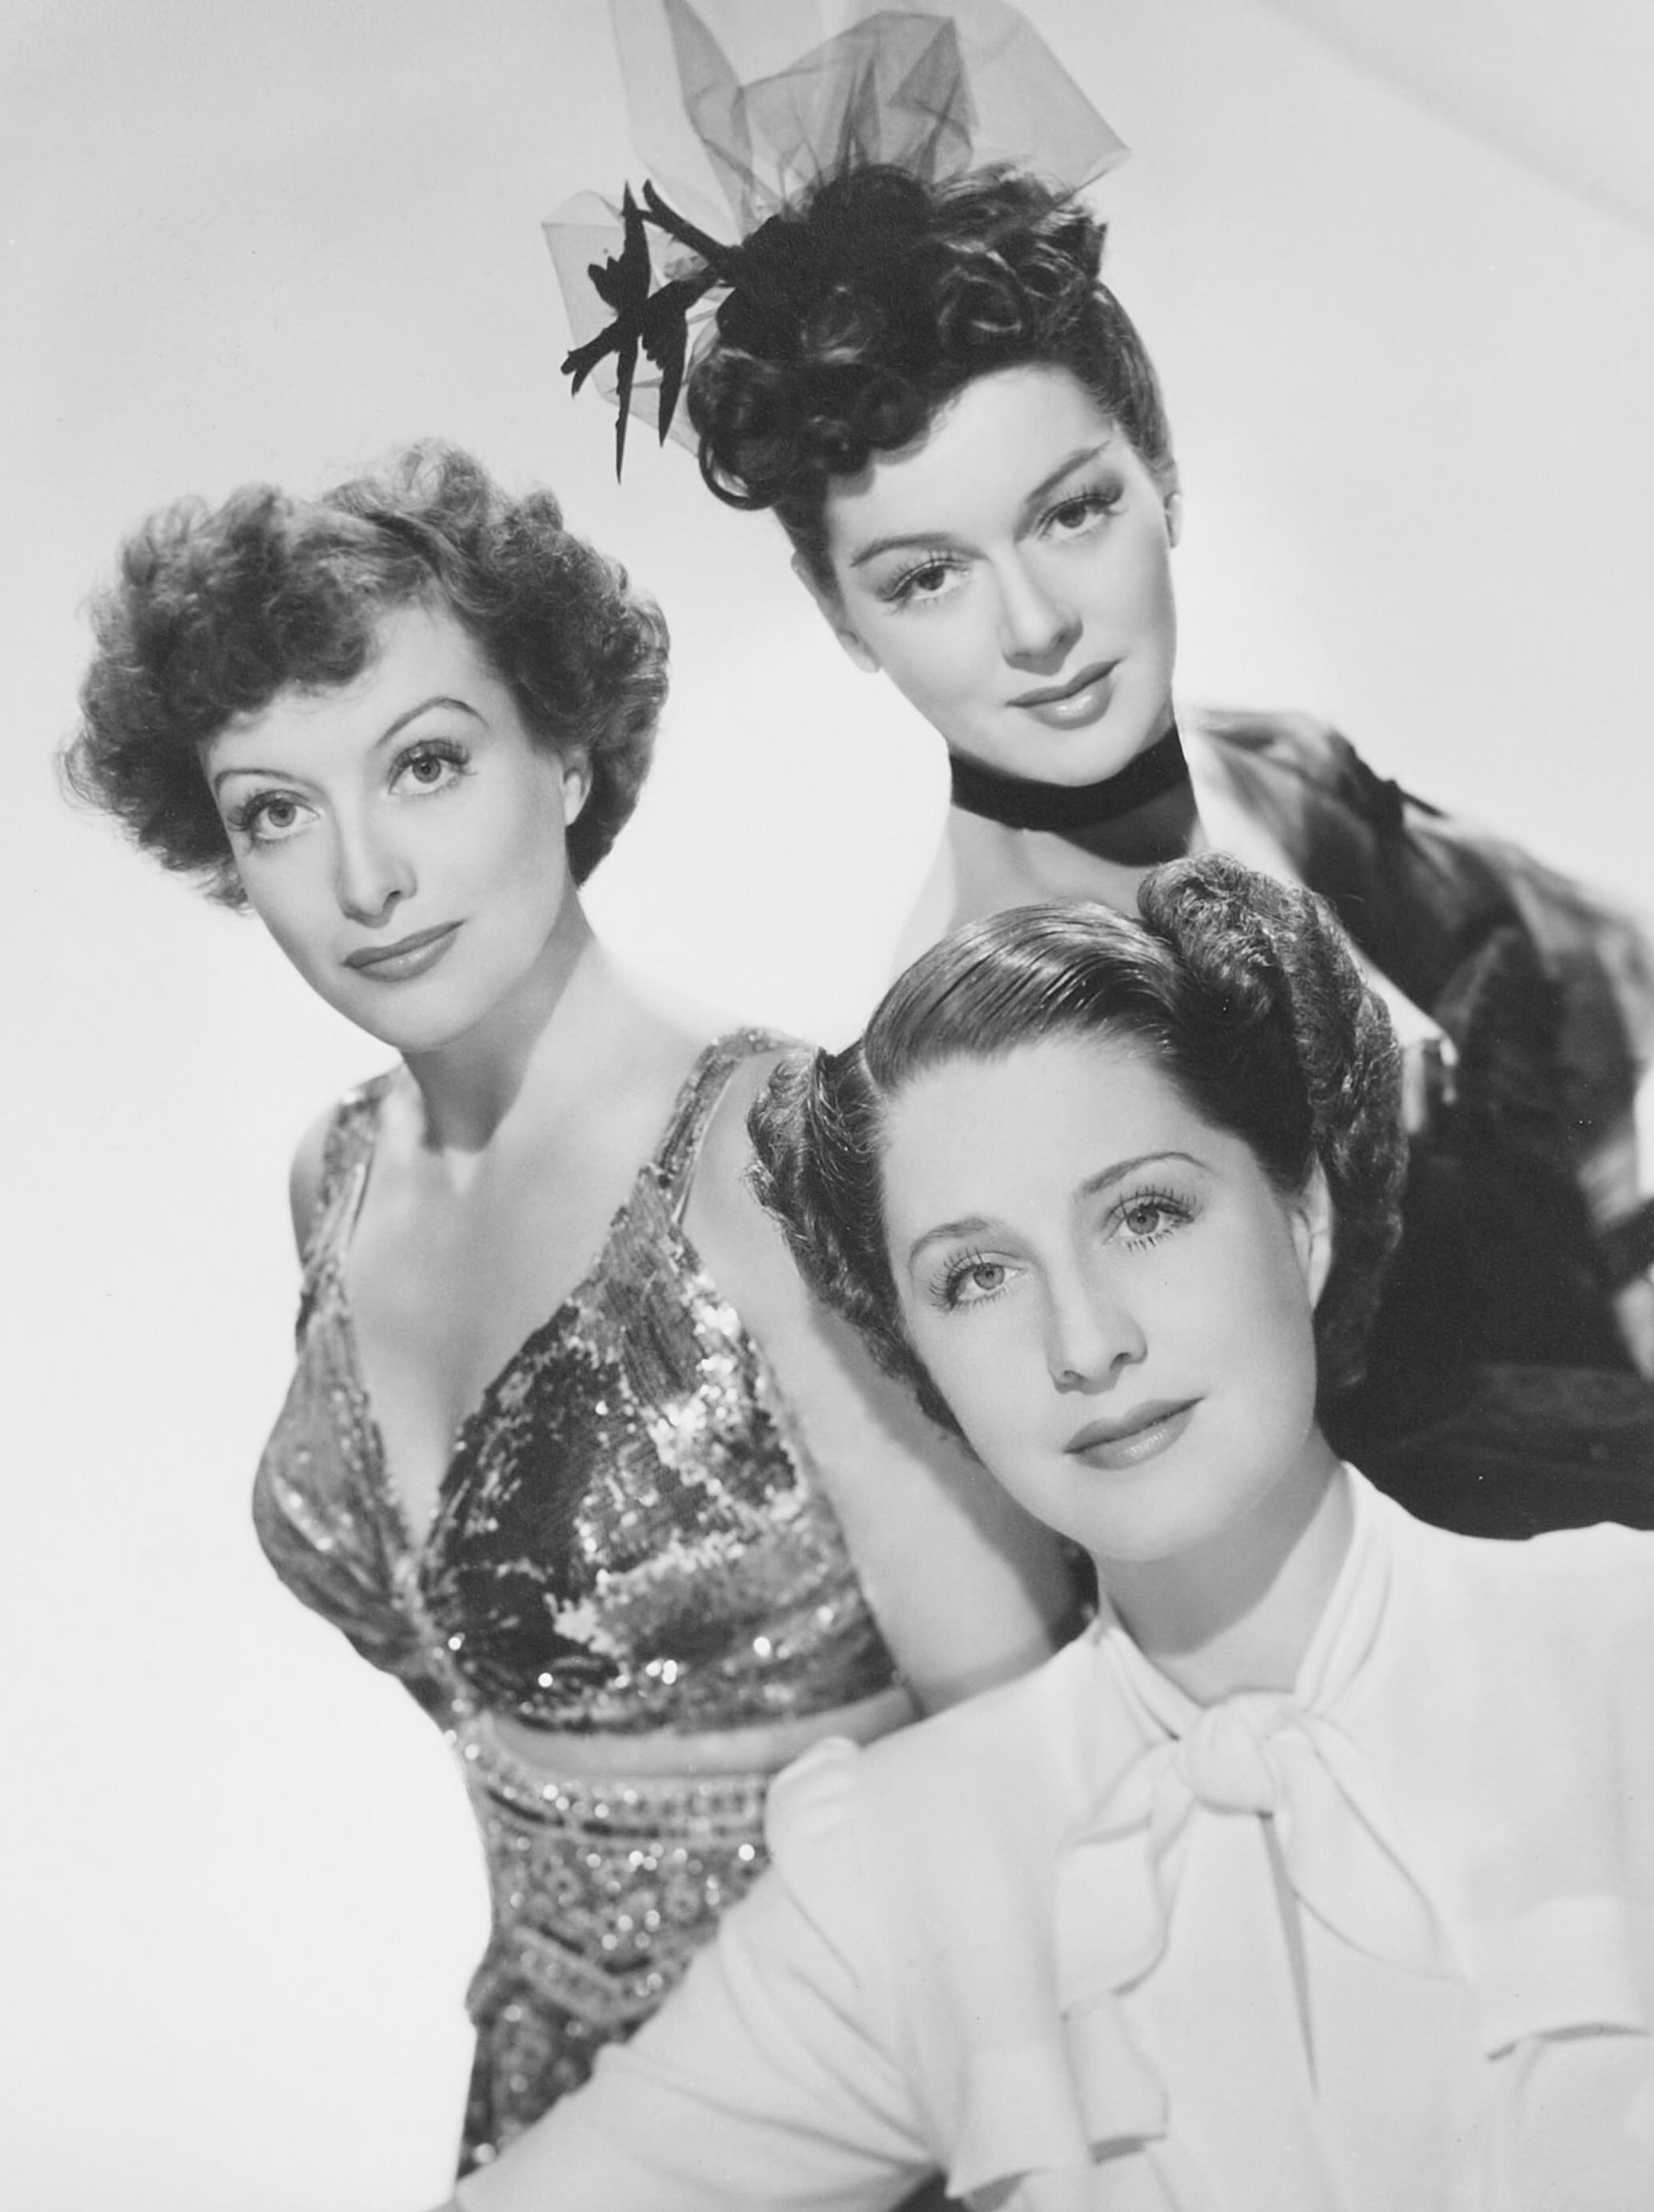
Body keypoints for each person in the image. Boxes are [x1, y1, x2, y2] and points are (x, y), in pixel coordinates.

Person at [62, 441, 1074, 2174]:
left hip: (859, 2106)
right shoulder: (338, 1177)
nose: (365, 877)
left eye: (426, 763)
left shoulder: (769, 1156)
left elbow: (1023, 1757)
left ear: (567, 752)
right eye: (276, 810)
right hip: (536, 2075)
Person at [550, 0, 1654, 1532]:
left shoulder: (1278, 772)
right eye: (925, 577)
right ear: (841, 616)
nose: (1034, 629)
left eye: (1070, 513)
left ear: (1162, 471)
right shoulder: (985, 1034)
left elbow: (1605, 999)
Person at [438, 852, 1654, 2212]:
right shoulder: (903, 1868)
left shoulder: (1626, 1660)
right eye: (976, 1277)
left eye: (1144, 1214)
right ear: (916, 1358)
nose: (1083, 1341)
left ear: (1301, 1225)